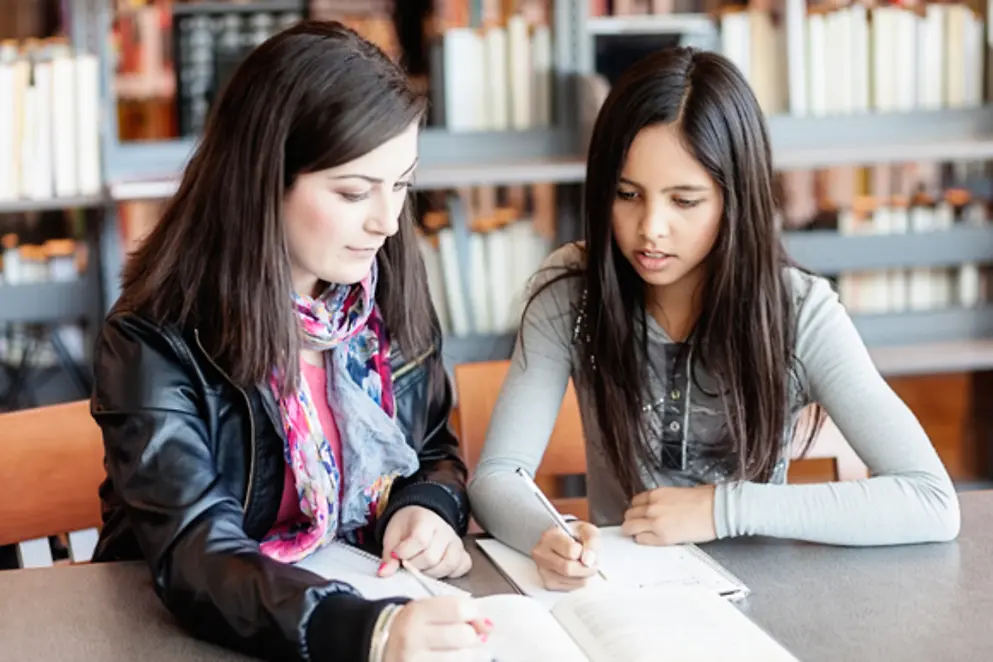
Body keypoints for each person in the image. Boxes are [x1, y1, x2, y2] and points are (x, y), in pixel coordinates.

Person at [468, 46, 961, 592]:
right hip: (624, 597)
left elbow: (930, 500)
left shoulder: (797, 311)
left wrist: (723, 508)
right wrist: (548, 535)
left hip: (767, 603)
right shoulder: (573, 289)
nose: (650, 228)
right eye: (627, 194)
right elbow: (496, 476)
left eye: (684, 201)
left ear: (735, 199)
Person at [90, 21, 492, 661]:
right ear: (264, 179)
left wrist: (427, 506)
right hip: (182, 634)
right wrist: (368, 631)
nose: (386, 221)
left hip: (361, 595)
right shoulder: (152, 340)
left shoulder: (383, 290)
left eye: (403, 185)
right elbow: (197, 551)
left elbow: (435, 449)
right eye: (354, 191)